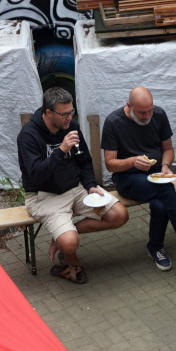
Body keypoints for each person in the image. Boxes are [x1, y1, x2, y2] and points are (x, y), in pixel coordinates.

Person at [17, 87, 127, 284]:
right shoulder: (28, 136)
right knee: (69, 243)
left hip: (75, 188)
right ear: (48, 112)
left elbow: (84, 161)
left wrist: (91, 185)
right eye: (64, 114)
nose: (69, 118)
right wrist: (61, 150)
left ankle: (63, 234)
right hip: (44, 196)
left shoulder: (71, 126)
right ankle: (68, 253)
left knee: (120, 215)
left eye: (71, 112)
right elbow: (36, 175)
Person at [102, 87, 176, 271]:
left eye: (150, 110)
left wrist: (165, 166)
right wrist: (132, 161)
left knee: (161, 204)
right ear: (128, 105)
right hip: (127, 178)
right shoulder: (113, 122)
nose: (147, 116)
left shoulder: (159, 114)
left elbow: (168, 149)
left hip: (155, 175)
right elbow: (110, 164)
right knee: (165, 189)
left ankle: (155, 248)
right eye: (141, 112)